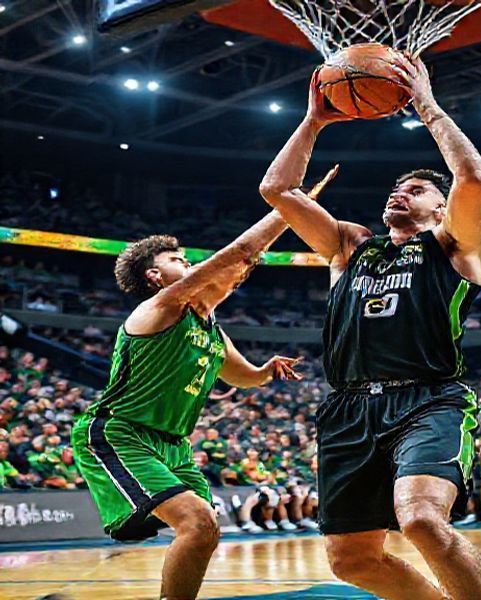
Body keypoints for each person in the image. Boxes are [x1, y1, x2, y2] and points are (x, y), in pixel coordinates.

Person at [259, 55, 481, 600]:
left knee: (420, 520)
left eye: (417, 190)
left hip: (427, 399)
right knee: (353, 560)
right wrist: (314, 121)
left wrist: (427, 105)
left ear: (442, 210)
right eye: (398, 186)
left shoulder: (453, 247)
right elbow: (278, 191)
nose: (401, 192)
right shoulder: (350, 246)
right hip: (347, 406)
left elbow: (475, 177)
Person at [70, 203, 311, 600]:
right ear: (154, 275)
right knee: (197, 522)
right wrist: (288, 204)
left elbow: (242, 377)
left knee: (207, 527)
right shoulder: (160, 307)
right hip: (121, 433)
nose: (186, 261)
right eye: (175, 259)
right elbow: (239, 254)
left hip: (174, 446)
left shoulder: (212, 330)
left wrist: (267, 370)